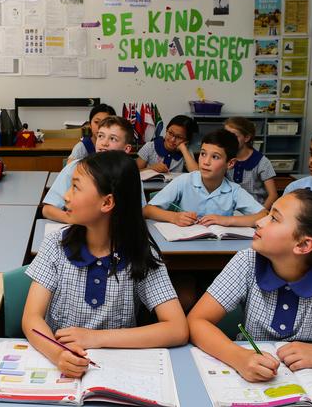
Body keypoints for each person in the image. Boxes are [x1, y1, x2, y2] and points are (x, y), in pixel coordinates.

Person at [23, 151, 188, 378]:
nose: (66, 197)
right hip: (61, 364)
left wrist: (96, 338)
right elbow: (31, 317)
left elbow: (177, 329)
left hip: (117, 369)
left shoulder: (140, 252)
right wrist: (58, 354)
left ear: (107, 202)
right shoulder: (55, 244)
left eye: (76, 188)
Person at [188, 190, 312, 382]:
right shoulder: (248, 261)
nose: (259, 222)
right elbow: (196, 320)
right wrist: (238, 357)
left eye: (274, 218)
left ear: (303, 245)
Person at [143, 129, 267, 227]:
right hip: (183, 245)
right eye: (203, 154)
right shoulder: (184, 181)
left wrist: (226, 220)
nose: (206, 162)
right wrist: (174, 217)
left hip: (219, 248)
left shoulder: (233, 190)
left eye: (215, 157)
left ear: (230, 163)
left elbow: (264, 215)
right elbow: (148, 210)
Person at [44, 116, 145, 224]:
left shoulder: (130, 174)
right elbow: (48, 209)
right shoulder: (76, 168)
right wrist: (76, 220)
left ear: (126, 149)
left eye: (112, 139)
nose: (104, 143)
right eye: (101, 136)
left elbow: (140, 211)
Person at [224, 117, 278, 210]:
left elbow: (273, 195)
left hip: (254, 209)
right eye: (225, 135)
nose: (228, 140)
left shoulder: (262, 161)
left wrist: (260, 214)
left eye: (234, 136)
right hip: (230, 209)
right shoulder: (224, 157)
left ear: (247, 138)